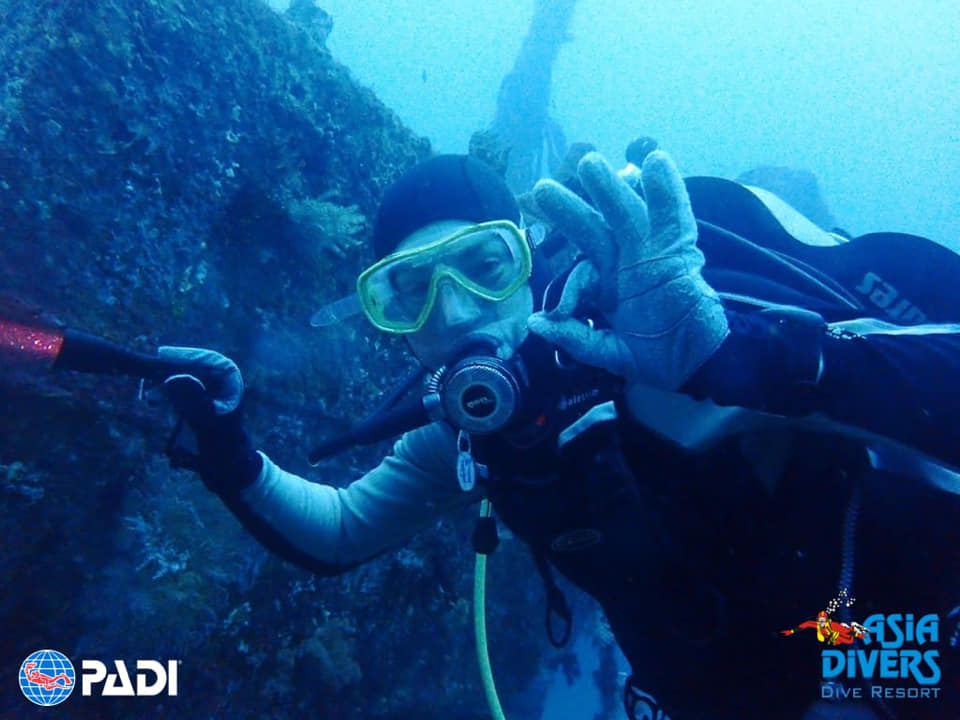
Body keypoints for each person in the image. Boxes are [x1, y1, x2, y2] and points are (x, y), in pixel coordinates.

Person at [160, 149, 960, 719]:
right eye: (409, 290)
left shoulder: (661, 341)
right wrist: (230, 454)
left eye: (483, 264)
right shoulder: (465, 437)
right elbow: (339, 531)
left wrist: (733, 355)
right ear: (392, 324)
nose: (459, 309)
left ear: (528, 258)